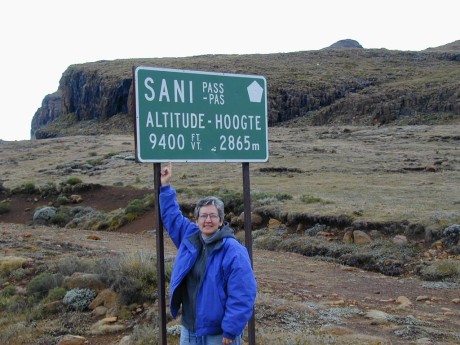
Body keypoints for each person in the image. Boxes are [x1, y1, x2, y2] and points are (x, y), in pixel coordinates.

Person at [159, 162, 257, 345]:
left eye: (213, 216)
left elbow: (244, 293)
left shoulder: (233, 251)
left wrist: (231, 329)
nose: (208, 220)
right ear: (196, 220)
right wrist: (165, 186)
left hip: (219, 334)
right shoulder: (190, 237)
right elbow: (172, 216)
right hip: (189, 330)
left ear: (221, 221)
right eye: (203, 216)